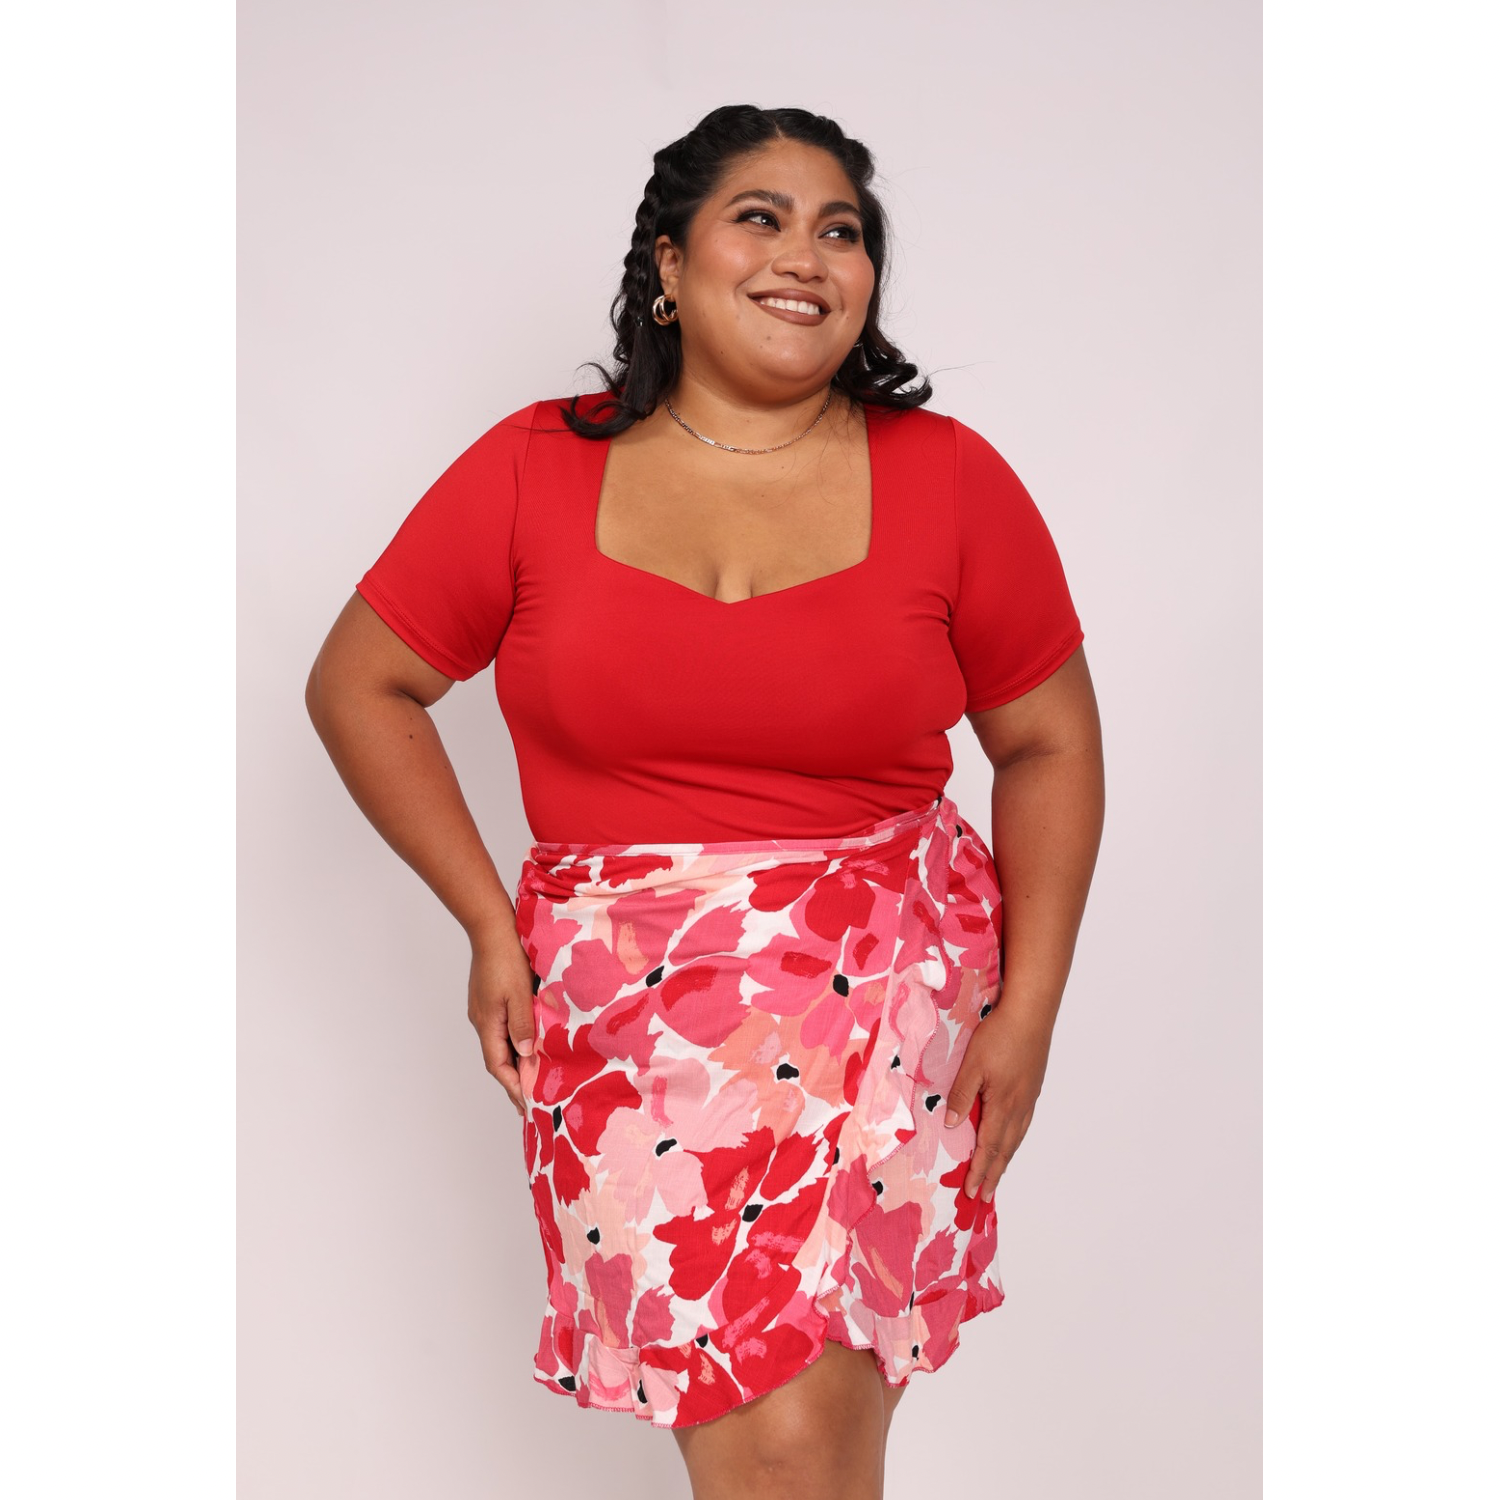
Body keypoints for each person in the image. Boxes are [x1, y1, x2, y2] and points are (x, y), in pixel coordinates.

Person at [306, 104, 1104, 1499]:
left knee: (803, 1443)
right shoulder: (531, 466)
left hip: (881, 999)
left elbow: (1048, 745)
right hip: (628, 1023)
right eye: (761, 217)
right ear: (669, 264)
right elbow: (360, 684)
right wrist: (489, 924)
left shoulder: (952, 480)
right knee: (753, 1446)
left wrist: (1028, 1008)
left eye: (842, 230)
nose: (807, 255)